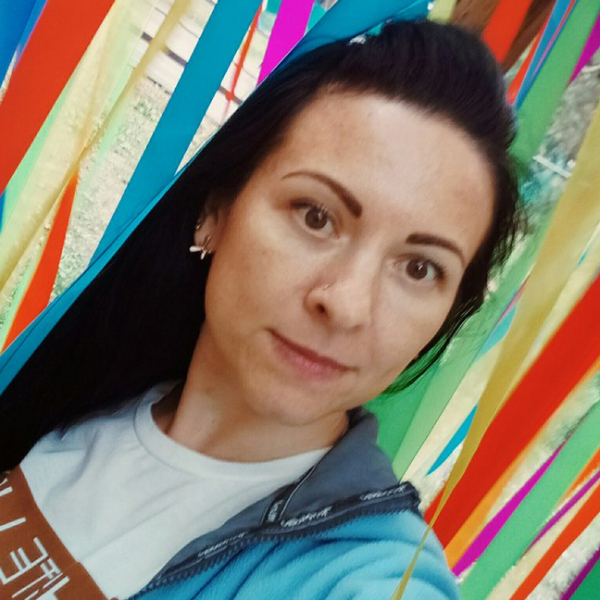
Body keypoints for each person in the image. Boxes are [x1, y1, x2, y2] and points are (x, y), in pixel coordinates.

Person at [0, 19, 520, 600]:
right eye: (315, 216)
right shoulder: (79, 381)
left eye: (419, 268)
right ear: (215, 212)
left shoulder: (365, 574)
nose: (346, 304)